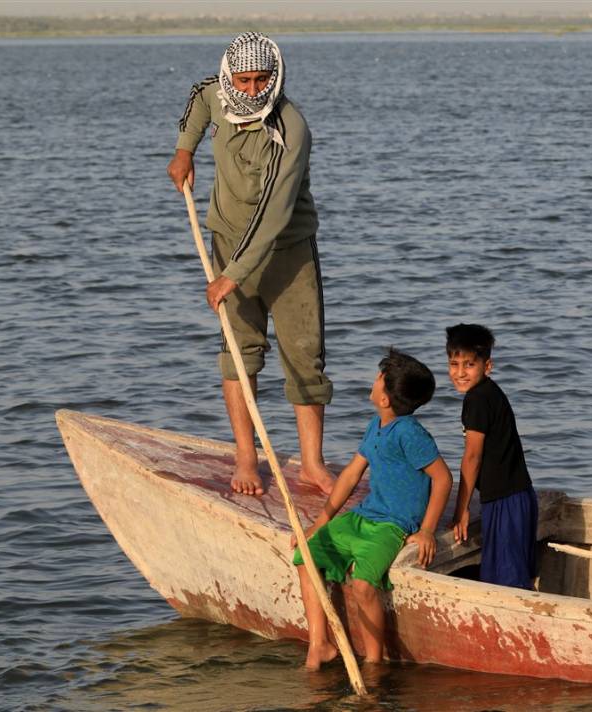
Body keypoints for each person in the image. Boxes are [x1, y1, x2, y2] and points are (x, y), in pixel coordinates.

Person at [166, 31, 334, 496]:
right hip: (226, 242)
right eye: (243, 80)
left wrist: (231, 276)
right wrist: (185, 149)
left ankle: (312, 464)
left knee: (305, 358)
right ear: (231, 77)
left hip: (289, 254)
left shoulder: (291, 127)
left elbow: (274, 212)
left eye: (262, 79)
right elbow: (199, 97)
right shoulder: (216, 95)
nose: (252, 88)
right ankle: (246, 455)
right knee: (238, 356)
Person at [292, 349, 452, 669]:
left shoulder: (409, 433)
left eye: (379, 378)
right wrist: (321, 521)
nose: (374, 380)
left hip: (393, 525)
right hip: (365, 515)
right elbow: (352, 473)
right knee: (307, 556)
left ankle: (374, 663)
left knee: (364, 584)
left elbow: (443, 478)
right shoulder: (376, 425)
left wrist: (427, 530)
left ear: (385, 399)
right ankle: (319, 644)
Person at [446, 324, 538, 590]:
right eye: (454, 364)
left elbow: (472, 457)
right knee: (513, 575)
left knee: (508, 583)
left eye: (469, 365)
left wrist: (462, 508)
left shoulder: (476, 400)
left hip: (505, 502)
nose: (460, 373)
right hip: (518, 495)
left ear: (487, 366)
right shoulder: (489, 392)